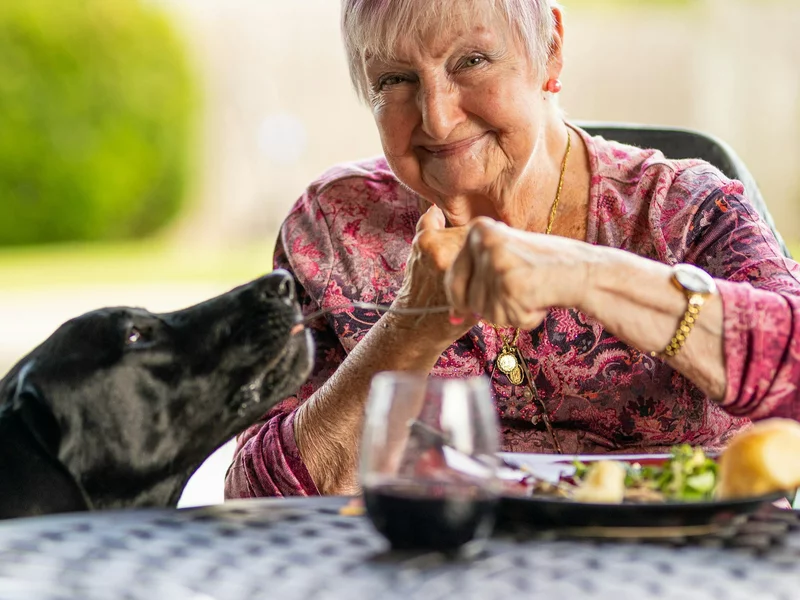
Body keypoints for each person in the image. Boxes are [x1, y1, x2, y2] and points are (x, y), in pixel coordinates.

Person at [224, 0, 800, 499]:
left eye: (472, 61)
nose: (437, 118)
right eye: (395, 80)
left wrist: (584, 274)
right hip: (433, 566)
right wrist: (410, 327)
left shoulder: (683, 210)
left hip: (680, 564)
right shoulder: (335, 228)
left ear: (549, 50)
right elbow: (256, 501)